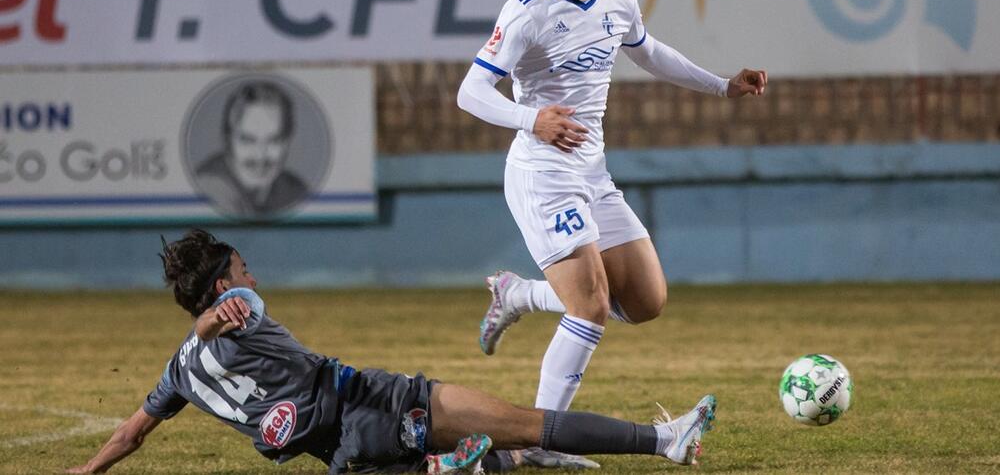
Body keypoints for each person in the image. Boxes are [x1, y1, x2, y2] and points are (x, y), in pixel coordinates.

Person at [456, 0, 765, 443]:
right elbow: (471, 91)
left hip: (593, 175)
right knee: (592, 306)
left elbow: (647, 53)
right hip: (543, 174)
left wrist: (723, 84)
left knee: (646, 302)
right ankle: (542, 442)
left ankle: (519, 295)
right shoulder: (527, 11)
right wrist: (532, 120)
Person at [66, 230, 717, 474]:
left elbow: (131, 434)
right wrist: (217, 318)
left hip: (343, 455)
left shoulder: (178, 370)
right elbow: (232, 317)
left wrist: (85, 472)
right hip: (376, 400)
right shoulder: (239, 312)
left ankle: (459, 468)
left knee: (508, 451)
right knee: (528, 423)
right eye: (244, 269)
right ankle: (663, 441)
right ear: (221, 287)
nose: (254, 280)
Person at [194, 81, 308, 218]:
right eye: (248, 140)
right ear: (227, 140)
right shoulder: (208, 188)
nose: (260, 156)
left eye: (274, 140)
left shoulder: (296, 191)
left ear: (287, 141)